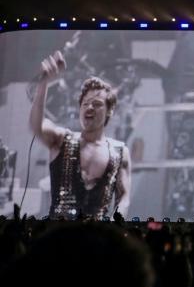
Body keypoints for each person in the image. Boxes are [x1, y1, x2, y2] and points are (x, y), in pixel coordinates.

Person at [29, 50, 131, 219]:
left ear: (109, 112)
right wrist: (44, 82)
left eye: (97, 104)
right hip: (58, 238)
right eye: (85, 104)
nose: (89, 107)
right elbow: (37, 126)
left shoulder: (120, 152)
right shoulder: (62, 139)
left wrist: (115, 224)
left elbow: (124, 197)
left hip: (98, 239)